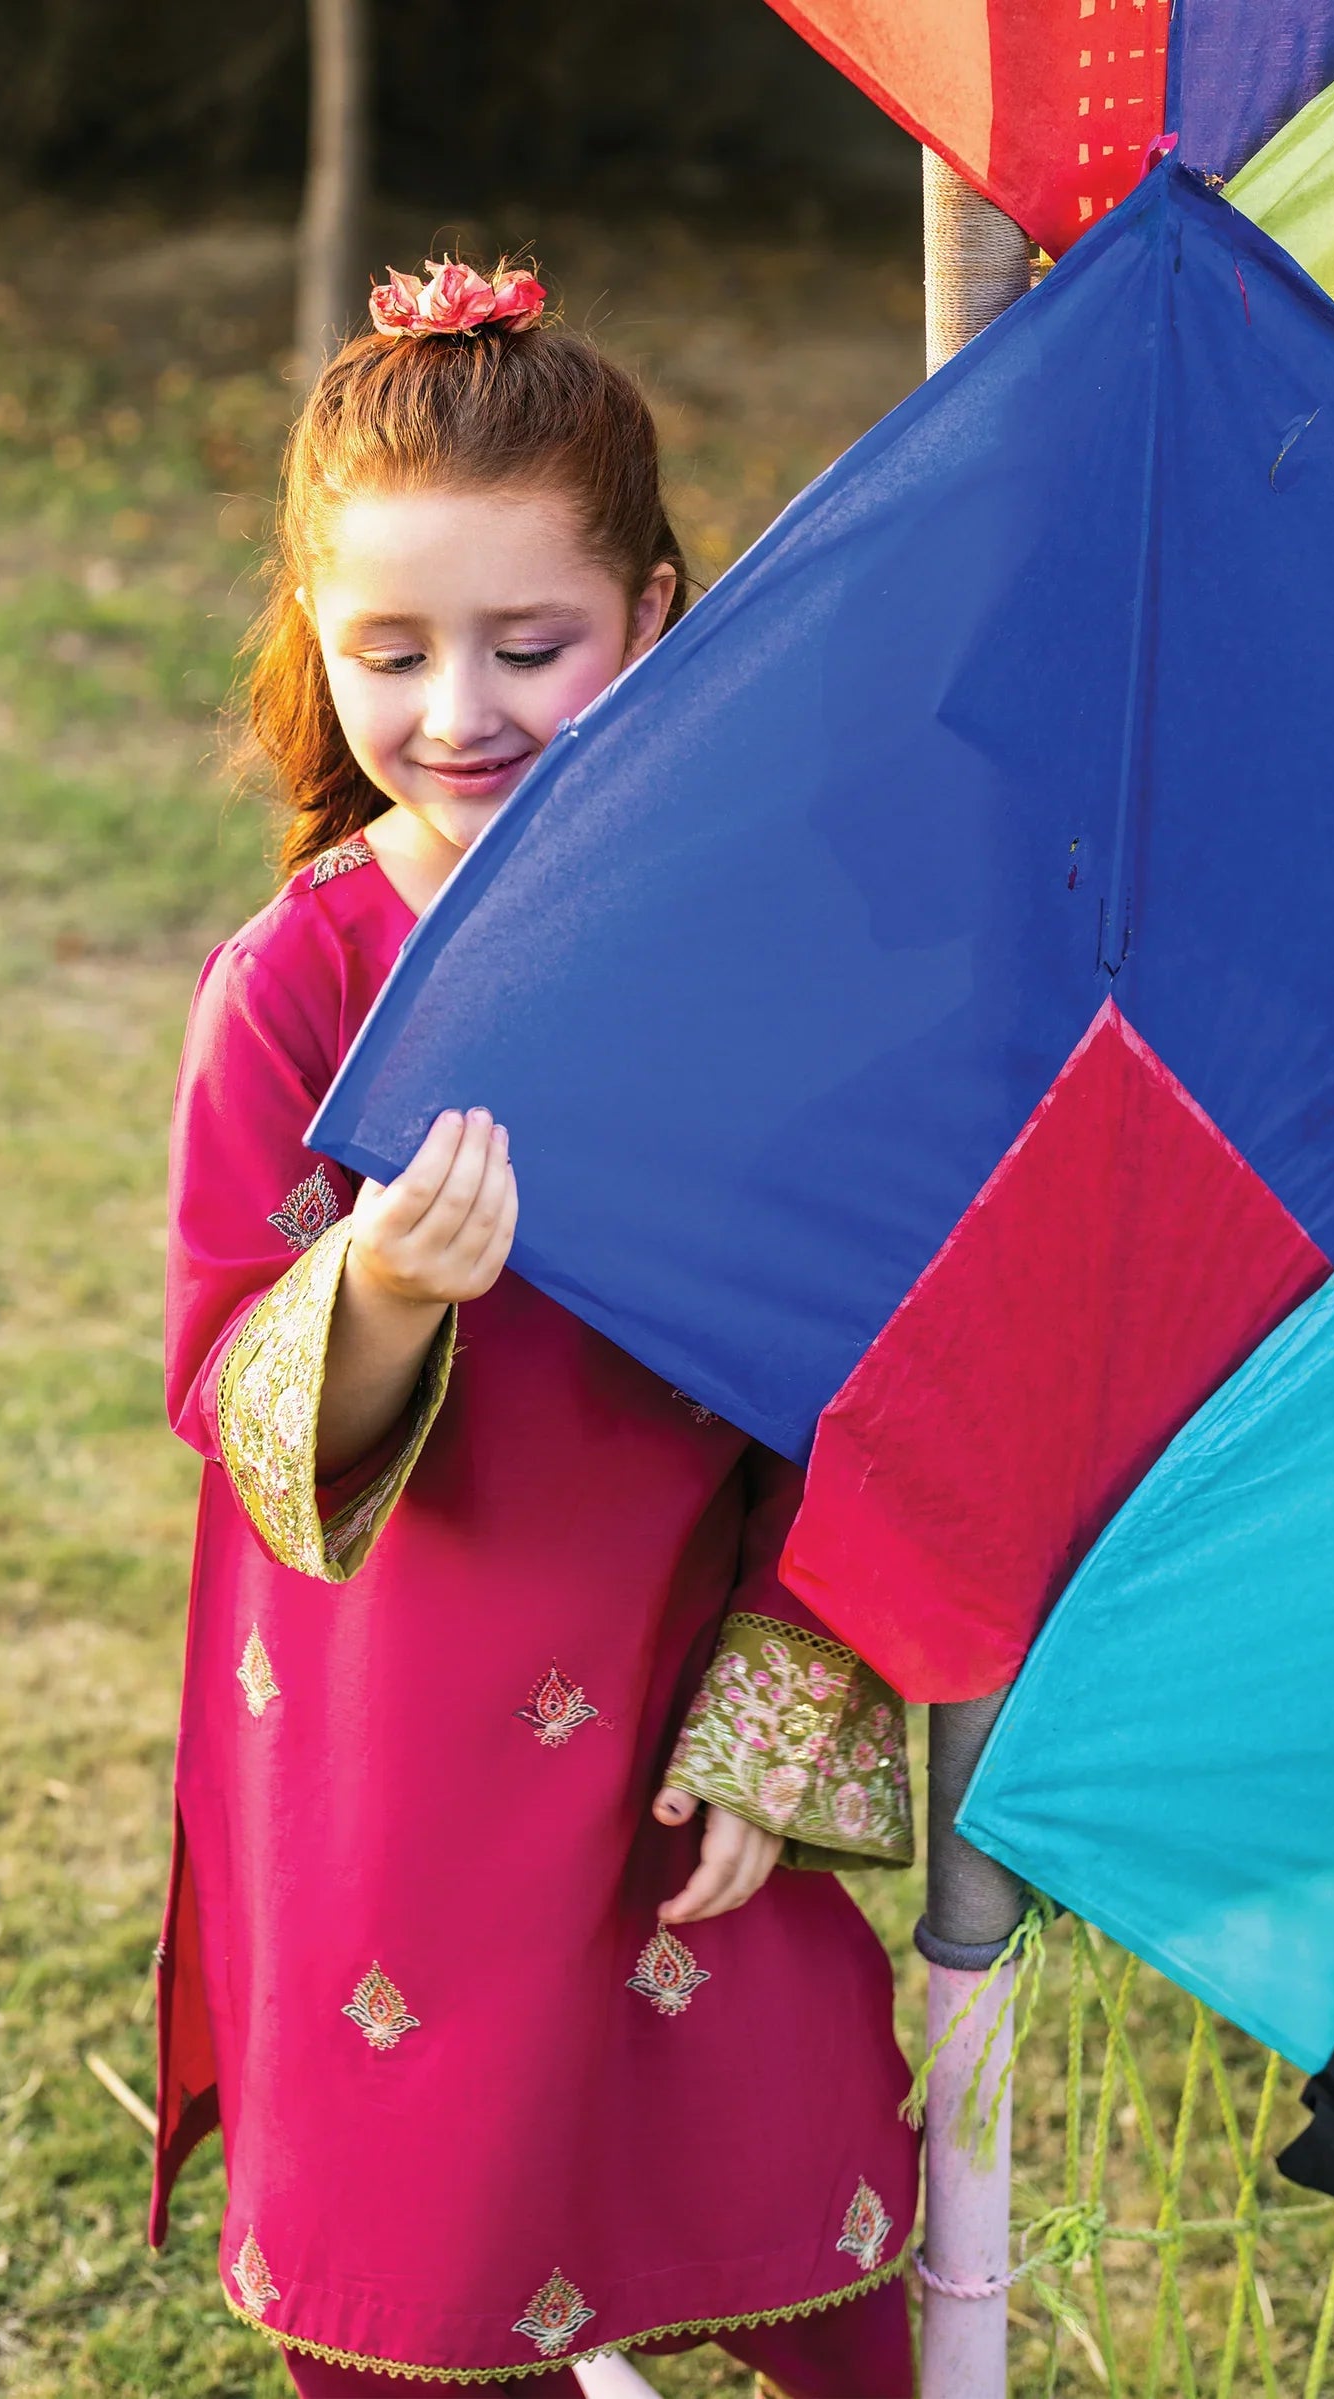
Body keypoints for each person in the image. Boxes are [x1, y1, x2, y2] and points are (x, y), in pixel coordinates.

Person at [153, 256, 919, 2399]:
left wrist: (784, 1680)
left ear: (652, 618)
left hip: (675, 1667)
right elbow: (225, 1383)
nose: (456, 710)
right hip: (391, 1735)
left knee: (796, 2180)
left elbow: (865, 1347)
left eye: (530, 643)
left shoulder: (762, 962)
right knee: (415, 2236)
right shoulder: (292, 989)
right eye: (391, 651)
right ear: (317, 634)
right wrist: (381, 1287)